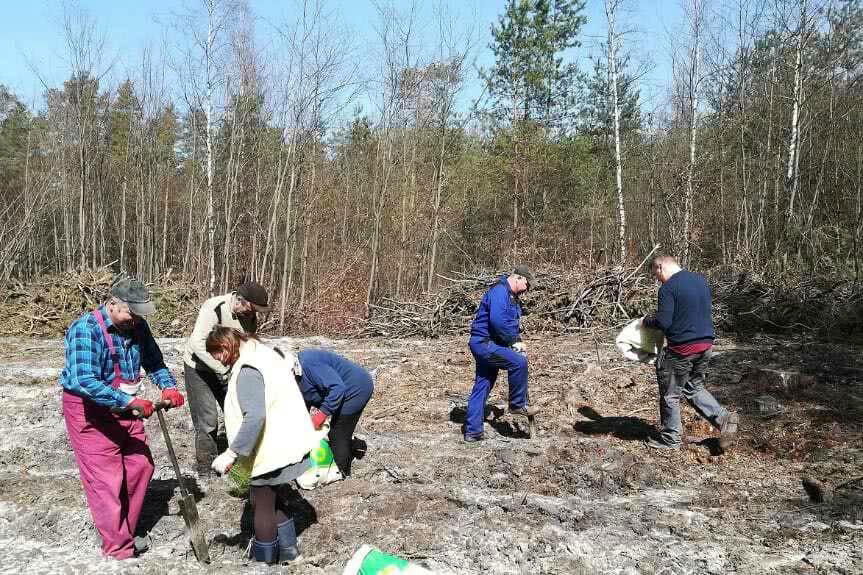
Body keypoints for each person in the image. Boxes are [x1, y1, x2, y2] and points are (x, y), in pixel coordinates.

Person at [59, 277, 185, 560]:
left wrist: (168, 386)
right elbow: (83, 380)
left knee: (141, 466)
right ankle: (119, 550)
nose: (135, 319)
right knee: (107, 480)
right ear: (112, 303)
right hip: (90, 410)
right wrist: (129, 401)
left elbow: (154, 361)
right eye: (130, 312)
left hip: (126, 407)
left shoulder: (138, 326)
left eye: (139, 314)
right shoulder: (86, 329)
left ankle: (123, 530)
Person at [206, 327, 318, 565]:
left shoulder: (247, 370)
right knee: (270, 497)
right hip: (289, 440)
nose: (215, 360)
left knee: (261, 503)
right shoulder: (263, 353)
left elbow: (255, 416)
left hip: (272, 446)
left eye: (214, 354)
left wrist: (231, 452)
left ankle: (262, 562)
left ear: (225, 348)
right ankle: (289, 551)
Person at [643, 255, 739, 450]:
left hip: (682, 349)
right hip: (706, 346)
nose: (657, 279)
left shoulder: (668, 289)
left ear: (661, 267)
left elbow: (664, 322)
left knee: (670, 394)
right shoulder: (700, 281)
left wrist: (647, 321)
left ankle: (671, 438)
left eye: (656, 274)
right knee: (693, 388)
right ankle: (724, 419)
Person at [183, 281, 271, 475]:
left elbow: (248, 344)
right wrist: (221, 369)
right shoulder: (214, 307)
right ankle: (206, 468)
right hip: (199, 368)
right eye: (251, 308)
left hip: (228, 368)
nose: (252, 314)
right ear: (240, 300)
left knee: (238, 412)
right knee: (208, 420)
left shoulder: (250, 317)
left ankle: (242, 461)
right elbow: (197, 344)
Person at [464, 265, 539, 442]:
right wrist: (514, 341)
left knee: (483, 385)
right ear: (519, 278)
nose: (528, 289)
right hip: (484, 343)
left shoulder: (512, 297)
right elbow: (498, 322)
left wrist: (517, 339)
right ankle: (517, 404)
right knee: (518, 363)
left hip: (488, 344)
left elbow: (510, 324)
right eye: (527, 285)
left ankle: (473, 432)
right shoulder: (499, 292)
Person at [295, 349, 374, 477]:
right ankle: (351, 446)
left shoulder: (309, 365)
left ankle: (341, 473)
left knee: (338, 433)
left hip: (355, 388)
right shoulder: (292, 376)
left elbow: (338, 389)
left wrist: (320, 415)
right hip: (334, 389)